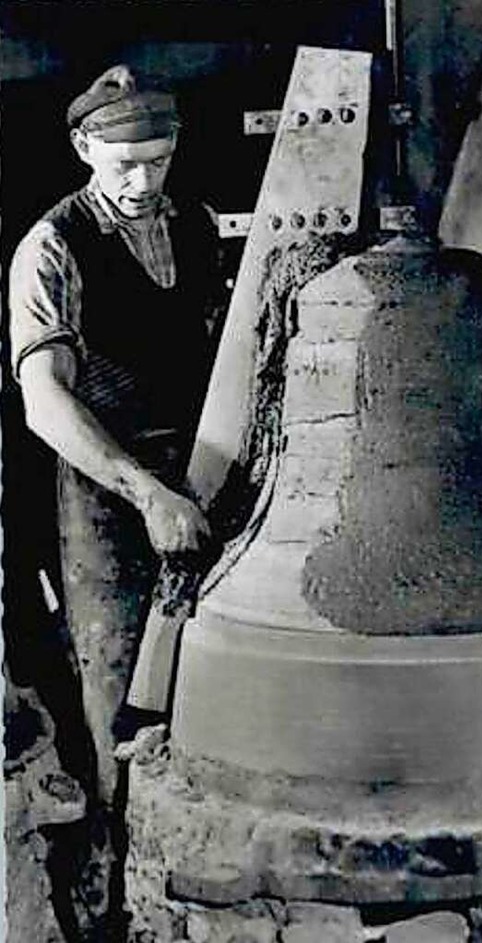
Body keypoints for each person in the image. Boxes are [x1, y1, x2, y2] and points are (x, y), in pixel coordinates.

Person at [9, 64, 226, 928]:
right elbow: (44, 401)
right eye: (124, 163)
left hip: (200, 469)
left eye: (159, 160)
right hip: (105, 484)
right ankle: (119, 890)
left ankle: (193, 880)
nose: (143, 183)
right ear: (83, 147)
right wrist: (145, 494)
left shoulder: (197, 224)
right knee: (119, 698)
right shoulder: (53, 245)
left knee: (204, 682)